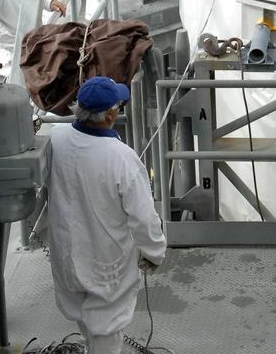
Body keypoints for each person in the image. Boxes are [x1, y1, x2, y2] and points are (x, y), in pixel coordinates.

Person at [45, 77, 167, 354]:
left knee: (81, 313)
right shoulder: (121, 157)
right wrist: (154, 252)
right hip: (105, 260)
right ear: (111, 114)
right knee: (106, 328)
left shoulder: (56, 139)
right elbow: (143, 217)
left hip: (66, 253)